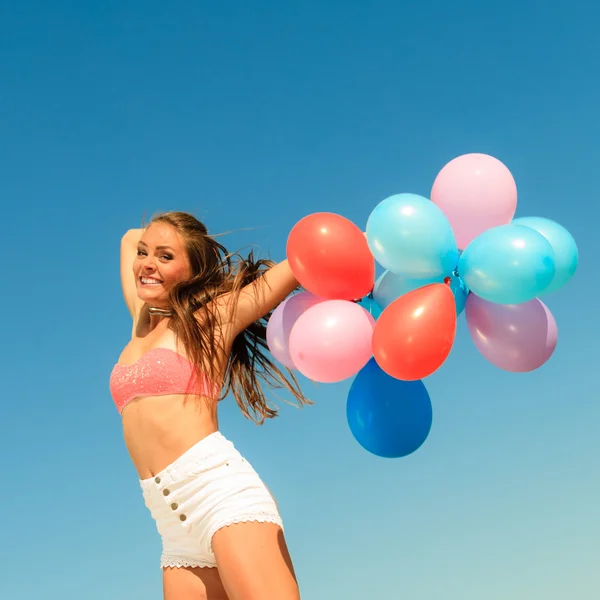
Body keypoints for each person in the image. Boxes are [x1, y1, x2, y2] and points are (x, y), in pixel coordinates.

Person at [109, 211, 310, 600]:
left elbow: (296, 267)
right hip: (170, 524)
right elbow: (128, 237)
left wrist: (370, 238)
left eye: (166, 257)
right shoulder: (142, 318)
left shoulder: (212, 320)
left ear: (193, 270)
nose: (147, 263)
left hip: (218, 495)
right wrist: (163, 240)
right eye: (145, 254)